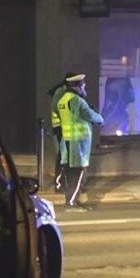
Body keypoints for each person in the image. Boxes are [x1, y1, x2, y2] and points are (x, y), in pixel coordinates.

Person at [55, 73, 104, 210]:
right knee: (78, 175)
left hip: (67, 142)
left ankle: (72, 201)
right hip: (77, 145)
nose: (84, 88)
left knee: (71, 175)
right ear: (77, 87)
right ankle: (71, 204)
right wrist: (99, 116)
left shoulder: (62, 100)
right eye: (83, 86)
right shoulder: (77, 101)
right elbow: (91, 116)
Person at [46, 72, 77, 192]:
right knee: (62, 158)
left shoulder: (63, 92)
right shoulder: (61, 92)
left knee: (65, 158)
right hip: (60, 129)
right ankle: (60, 185)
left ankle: (67, 184)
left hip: (63, 128)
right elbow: (58, 109)